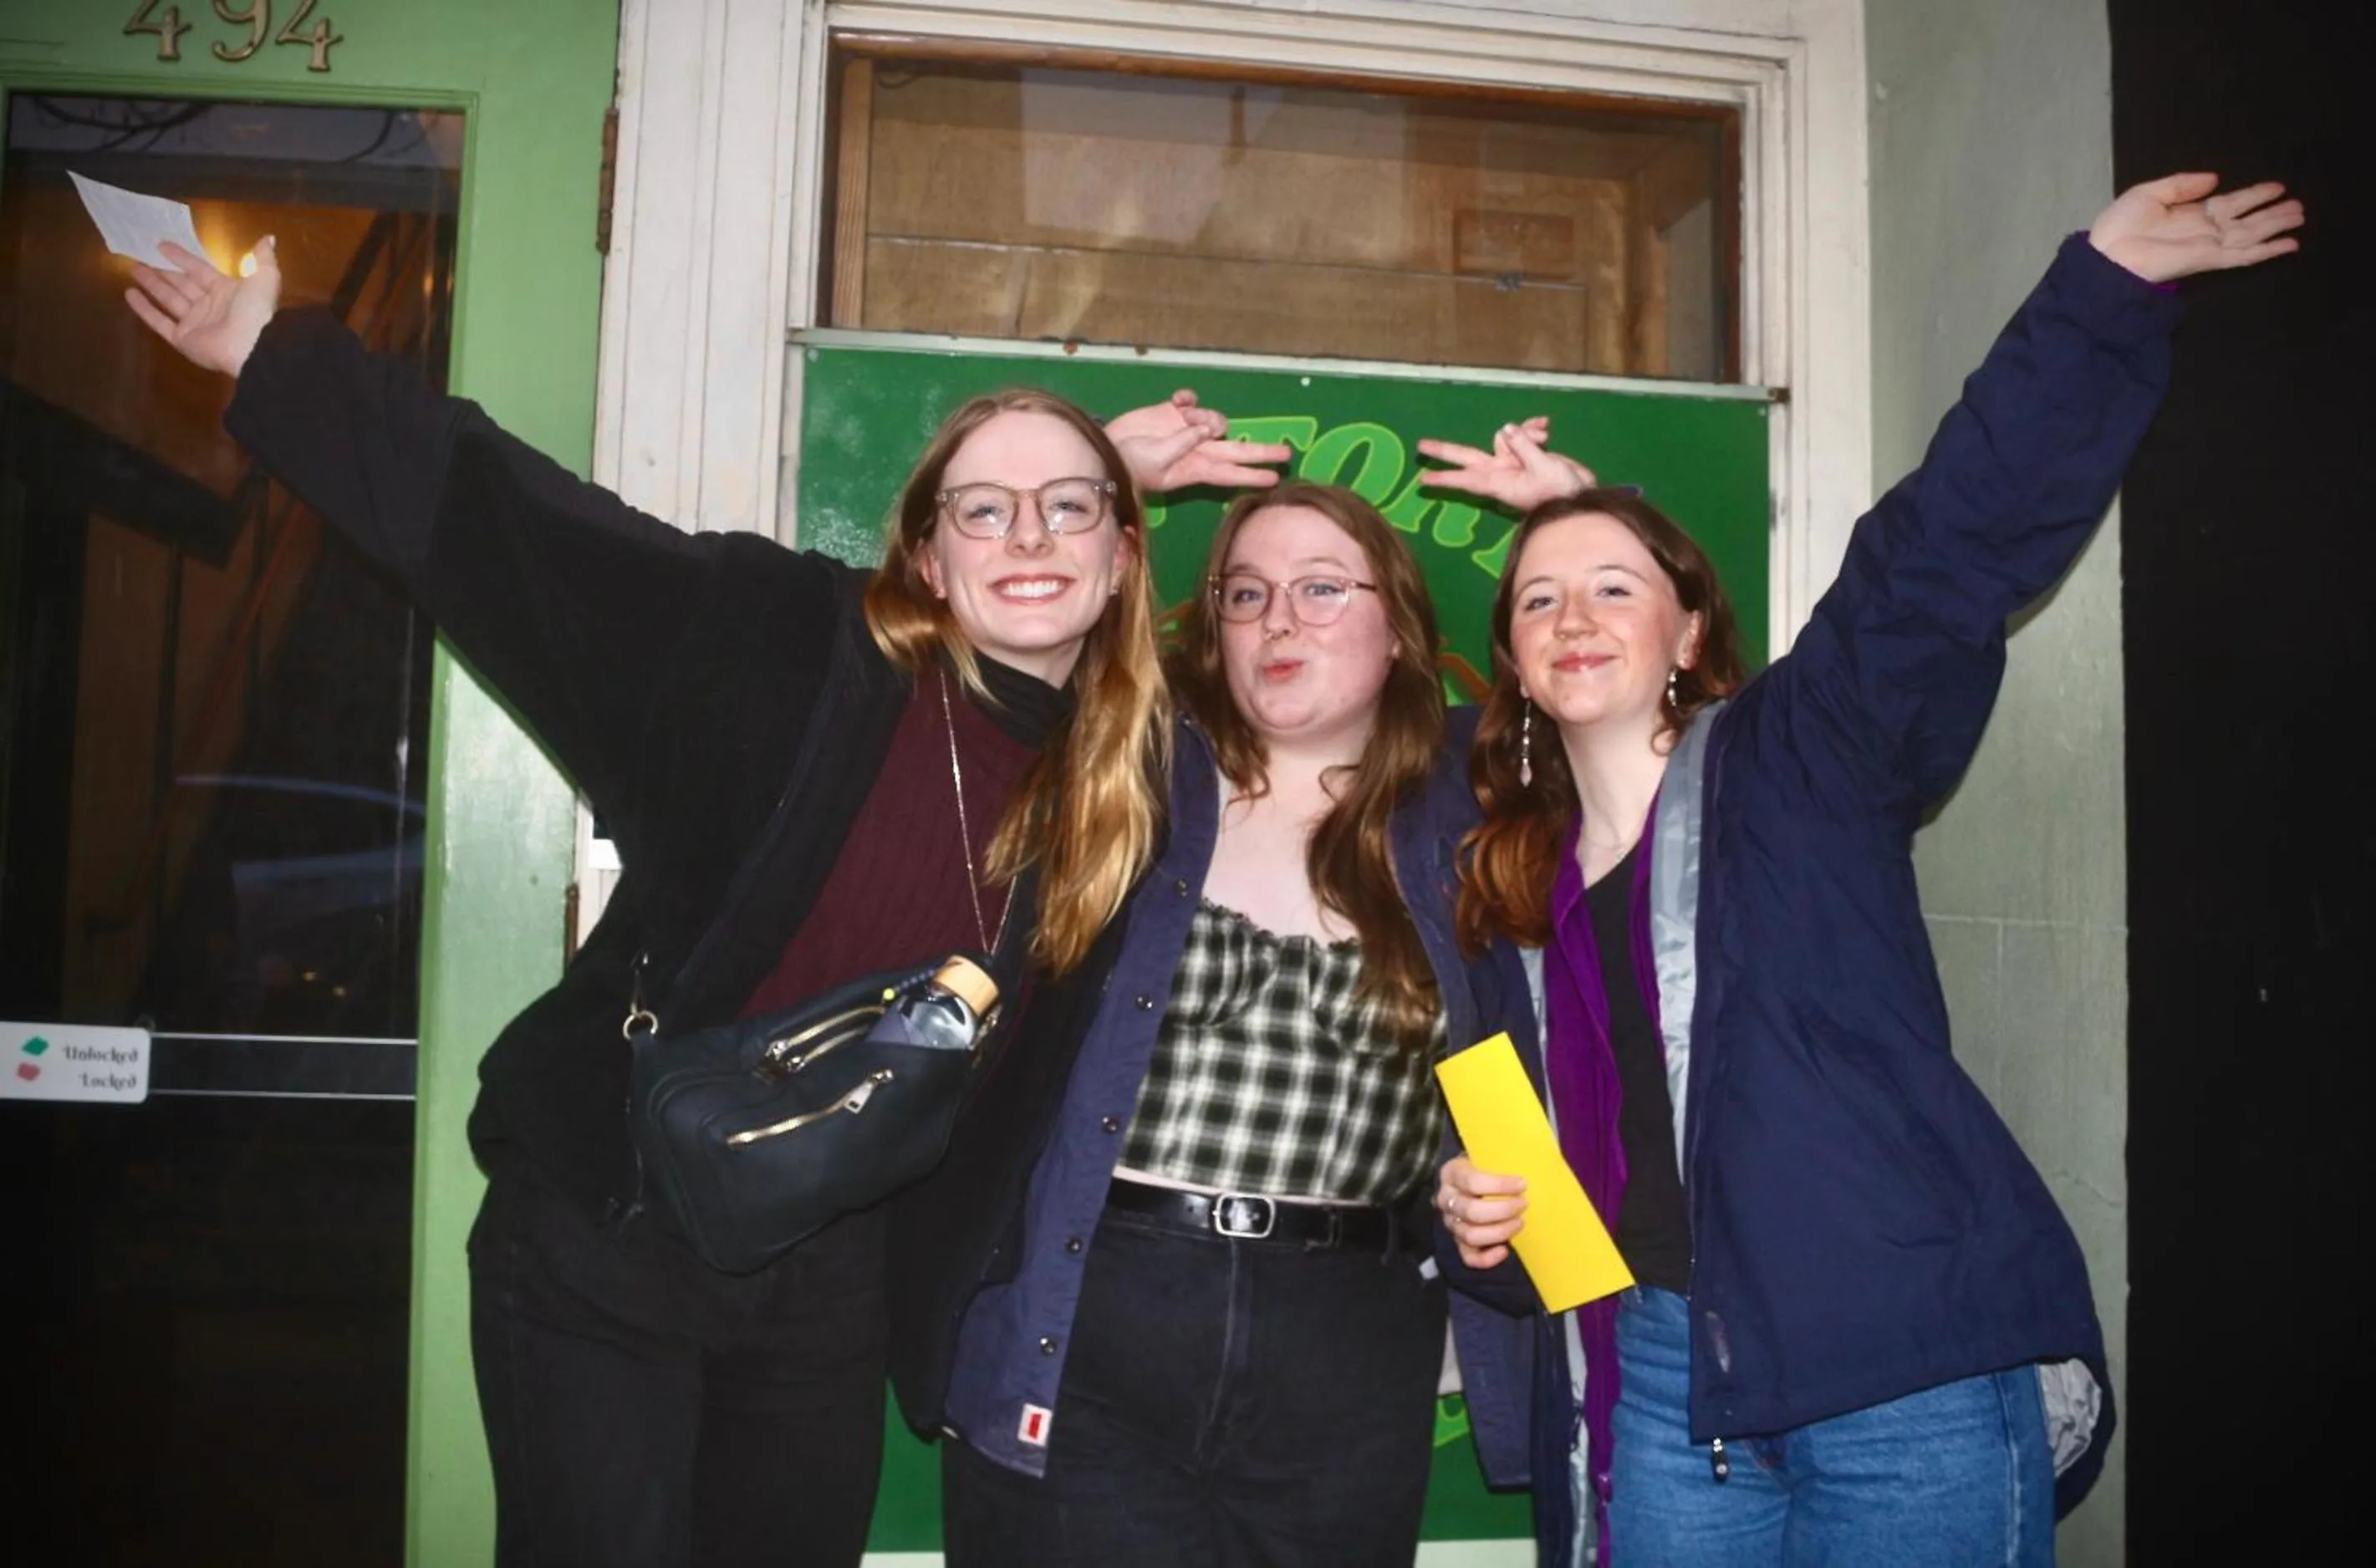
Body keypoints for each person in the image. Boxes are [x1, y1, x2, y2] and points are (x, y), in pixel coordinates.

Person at [123, 239, 1287, 1568]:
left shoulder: (1132, 781)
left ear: (1128, 554)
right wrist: (279, 359)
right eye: (981, 510)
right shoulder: (778, 645)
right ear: (921, 551)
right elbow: (523, 528)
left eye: (1069, 511)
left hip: (837, 1283)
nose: (1028, 536)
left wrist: (1079, 482)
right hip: (612, 1235)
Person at [1425, 172, 2304, 1567]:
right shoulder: (1510, 887)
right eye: (1538, 597)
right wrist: (1487, 1196)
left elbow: (1936, 555)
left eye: (1612, 588)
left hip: (1894, 1365)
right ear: (1515, 668)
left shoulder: (1801, 758)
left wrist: (2099, 295)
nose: (1572, 616)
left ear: (1688, 626)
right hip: (1659, 1375)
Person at [889, 480, 1502, 1566]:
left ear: (1400, 629)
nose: (1277, 619)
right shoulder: (1125, 768)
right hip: (1093, 1315)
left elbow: (1661, 707)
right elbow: (942, 655)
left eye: (1321, 589)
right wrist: (1096, 470)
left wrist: (1581, 511)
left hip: (1351, 1342)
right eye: (1246, 592)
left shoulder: (1472, 799)